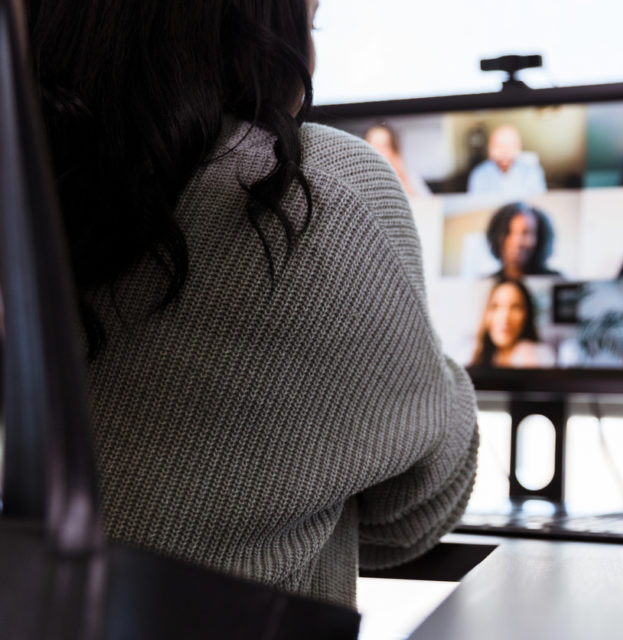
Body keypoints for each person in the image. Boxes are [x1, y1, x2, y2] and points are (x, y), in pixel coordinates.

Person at [28, 0, 478, 611]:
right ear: (264, 32)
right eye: (310, 23)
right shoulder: (320, 190)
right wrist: (422, 354)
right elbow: (410, 517)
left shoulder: (25, 187)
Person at [469, 279, 556, 368]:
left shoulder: (542, 356)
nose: (505, 317)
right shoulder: (469, 354)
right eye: (495, 306)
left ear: (527, 315)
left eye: (515, 307)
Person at [467, 123, 547, 196]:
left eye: (510, 146)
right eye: (498, 146)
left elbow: (539, 202)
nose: (504, 152)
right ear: (489, 148)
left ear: (519, 147)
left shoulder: (533, 171)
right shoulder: (479, 174)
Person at [485, 202, 560, 279]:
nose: (517, 242)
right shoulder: (486, 284)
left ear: (540, 238)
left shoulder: (556, 281)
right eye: (508, 232)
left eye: (526, 233)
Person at [363, 122, 432, 198]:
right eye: (373, 145)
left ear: (394, 151)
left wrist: (403, 178)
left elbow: (427, 202)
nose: (378, 151)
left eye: (384, 146)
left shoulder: (408, 175)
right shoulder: (360, 180)